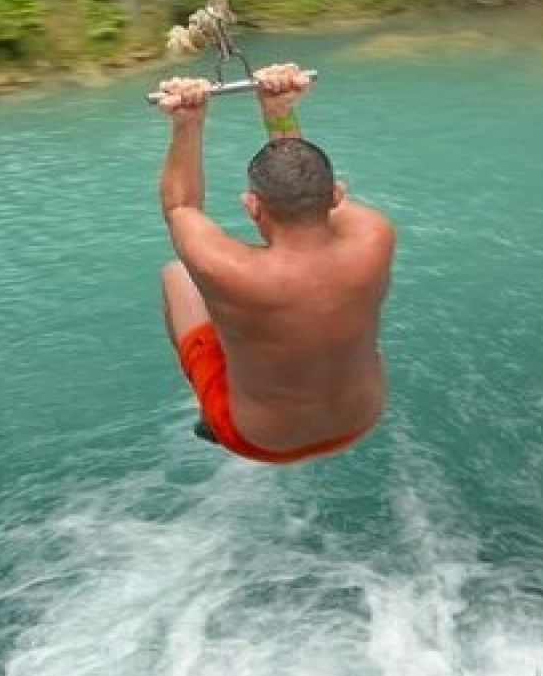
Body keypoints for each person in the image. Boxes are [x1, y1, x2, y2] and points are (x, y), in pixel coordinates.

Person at [155, 63, 395, 463]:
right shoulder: (375, 236)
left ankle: (208, 413)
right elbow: (304, 179)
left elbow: (180, 205)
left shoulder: (227, 270)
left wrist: (188, 122)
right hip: (360, 419)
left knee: (177, 276)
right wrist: (278, 110)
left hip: (260, 439)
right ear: (337, 195)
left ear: (252, 207)